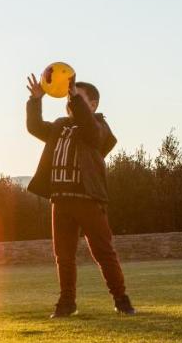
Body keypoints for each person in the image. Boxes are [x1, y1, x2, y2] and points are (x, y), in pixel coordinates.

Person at [25, 72, 136, 317]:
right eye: (68, 97)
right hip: (61, 200)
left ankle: (121, 299)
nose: (70, 100)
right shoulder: (59, 126)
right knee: (63, 256)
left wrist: (76, 98)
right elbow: (34, 126)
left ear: (93, 104)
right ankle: (66, 303)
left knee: (103, 253)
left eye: (77, 97)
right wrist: (35, 100)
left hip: (88, 199)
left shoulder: (100, 128)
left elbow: (91, 132)